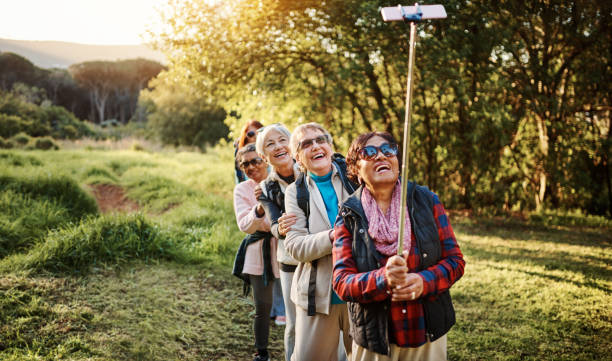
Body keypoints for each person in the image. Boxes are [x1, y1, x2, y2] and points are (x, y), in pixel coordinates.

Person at [332, 131, 465, 361]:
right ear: (356, 169)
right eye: (369, 152)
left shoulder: (427, 200)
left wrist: (424, 282)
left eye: (388, 150)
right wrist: (383, 279)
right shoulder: (349, 213)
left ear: (397, 161)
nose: (381, 156)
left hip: (426, 333)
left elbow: (455, 262)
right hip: (374, 340)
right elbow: (342, 282)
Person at [283, 122, 357, 361]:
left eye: (321, 139)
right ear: (298, 158)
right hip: (317, 293)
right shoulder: (295, 193)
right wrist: (332, 236)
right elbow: (294, 246)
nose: (315, 145)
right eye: (306, 143)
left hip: (361, 289)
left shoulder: (355, 177)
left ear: (330, 146)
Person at [255, 123, 300, 361]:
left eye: (282, 140)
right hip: (291, 261)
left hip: (327, 256)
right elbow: (273, 226)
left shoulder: (313, 171)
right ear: (264, 156)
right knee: (294, 325)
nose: (278, 146)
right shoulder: (266, 188)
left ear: (292, 143)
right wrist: (280, 228)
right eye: (270, 144)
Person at [232, 143, 280, 361]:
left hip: (286, 249)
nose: (250, 167)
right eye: (245, 164)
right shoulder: (242, 189)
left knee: (295, 302)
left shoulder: (281, 180)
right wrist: (259, 209)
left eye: (254, 161)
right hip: (257, 250)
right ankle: (262, 352)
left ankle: (302, 347)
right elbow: (245, 225)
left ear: (264, 159)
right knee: (262, 306)